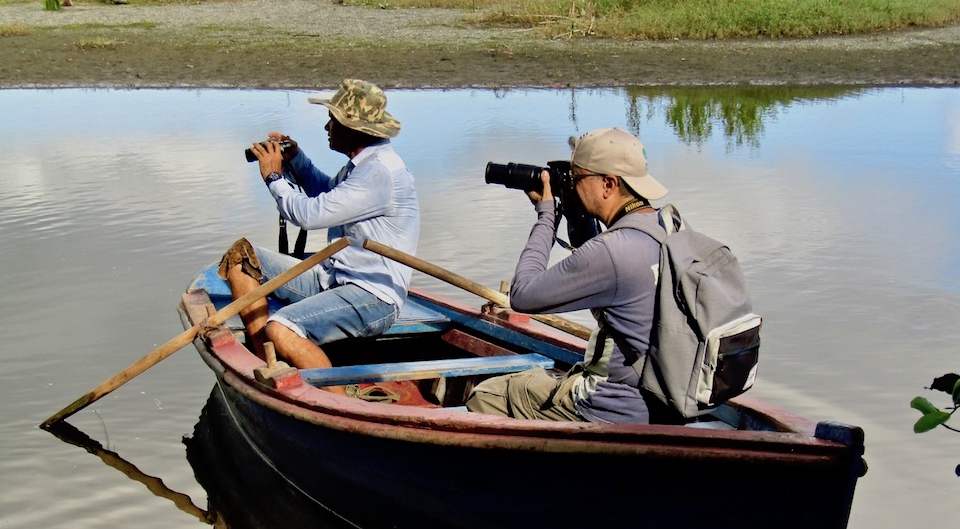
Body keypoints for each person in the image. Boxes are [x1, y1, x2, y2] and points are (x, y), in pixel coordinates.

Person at [465, 127, 681, 424]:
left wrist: (547, 215)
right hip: (666, 397)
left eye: (577, 178)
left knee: (487, 395)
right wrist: (578, 217)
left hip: (611, 406)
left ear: (608, 184)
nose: (572, 186)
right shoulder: (668, 227)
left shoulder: (614, 250)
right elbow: (608, 277)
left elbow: (523, 296)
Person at [219, 79, 420, 395]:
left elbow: (309, 215)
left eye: (334, 121)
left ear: (354, 129)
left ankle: (342, 406)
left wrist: (274, 176)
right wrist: (295, 158)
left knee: (282, 329)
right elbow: (327, 195)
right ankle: (265, 362)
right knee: (241, 257)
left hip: (372, 296)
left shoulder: (378, 173)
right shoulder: (362, 165)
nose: (327, 127)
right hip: (336, 279)